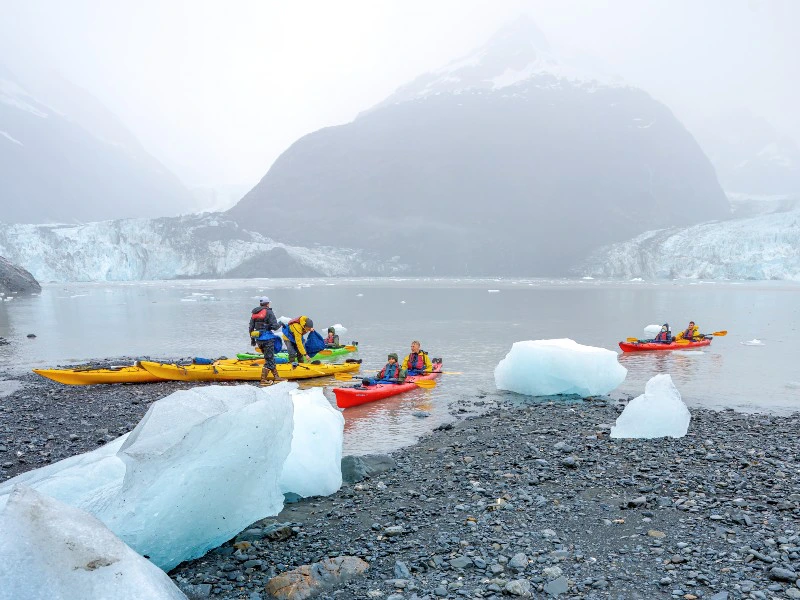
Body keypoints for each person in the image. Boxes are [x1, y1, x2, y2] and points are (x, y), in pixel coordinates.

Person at [248, 296, 284, 386]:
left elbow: (251, 328)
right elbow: (275, 327)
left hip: (258, 339)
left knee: (269, 357)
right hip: (267, 339)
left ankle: (276, 377)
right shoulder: (269, 312)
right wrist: (281, 323)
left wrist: (252, 340)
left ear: (260, 303)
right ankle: (263, 380)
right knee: (269, 359)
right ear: (268, 303)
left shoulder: (254, 313)